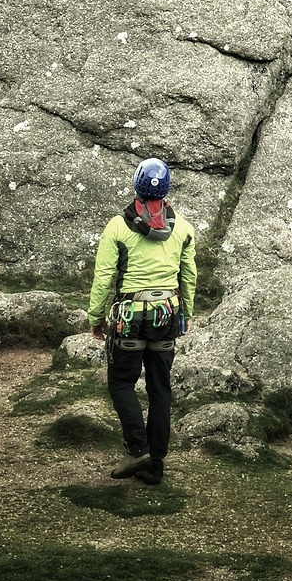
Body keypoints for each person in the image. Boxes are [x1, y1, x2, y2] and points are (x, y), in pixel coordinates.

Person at [88, 157, 197, 486]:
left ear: (136, 185)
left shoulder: (117, 227)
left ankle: (139, 450)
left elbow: (104, 277)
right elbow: (188, 276)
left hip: (129, 316)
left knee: (122, 383)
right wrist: (187, 312)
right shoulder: (184, 229)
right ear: (167, 189)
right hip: (167, 314)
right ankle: (155, 465)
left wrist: (95, 317)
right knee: (160, 389)